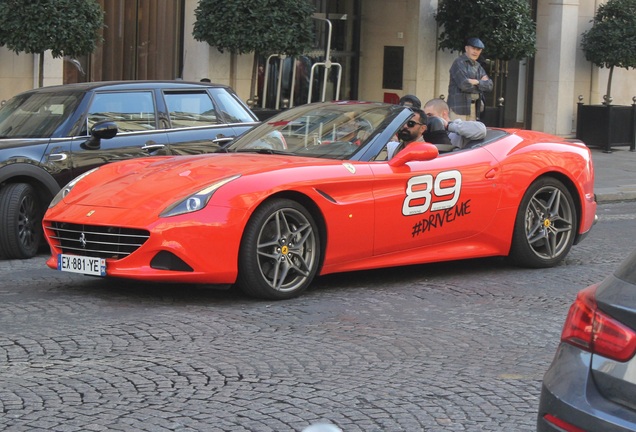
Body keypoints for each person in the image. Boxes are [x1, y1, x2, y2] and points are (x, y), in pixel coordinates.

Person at [447, 37, 493, 121]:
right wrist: (481, 84)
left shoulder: (478, 66)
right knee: (457, 133)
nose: (475, 52)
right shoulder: (458, 63)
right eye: (473, 48)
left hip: (474, 108)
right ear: (466, 48)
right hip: (458, 107)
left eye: (478, 49)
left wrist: (476, 82)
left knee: (472, 133)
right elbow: (464, 85)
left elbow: (490, 86)